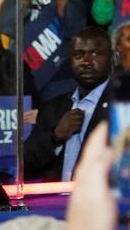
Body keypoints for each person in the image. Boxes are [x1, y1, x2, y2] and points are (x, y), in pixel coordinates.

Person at [20, 26, 113, 181]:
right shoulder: (54, 108)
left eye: (95, 54)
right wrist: (55, 136)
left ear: (111, 58)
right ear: (70, 60)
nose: (86, 62)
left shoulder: (121, 107)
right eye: (78, 55)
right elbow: (25, 166)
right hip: (56, 204)